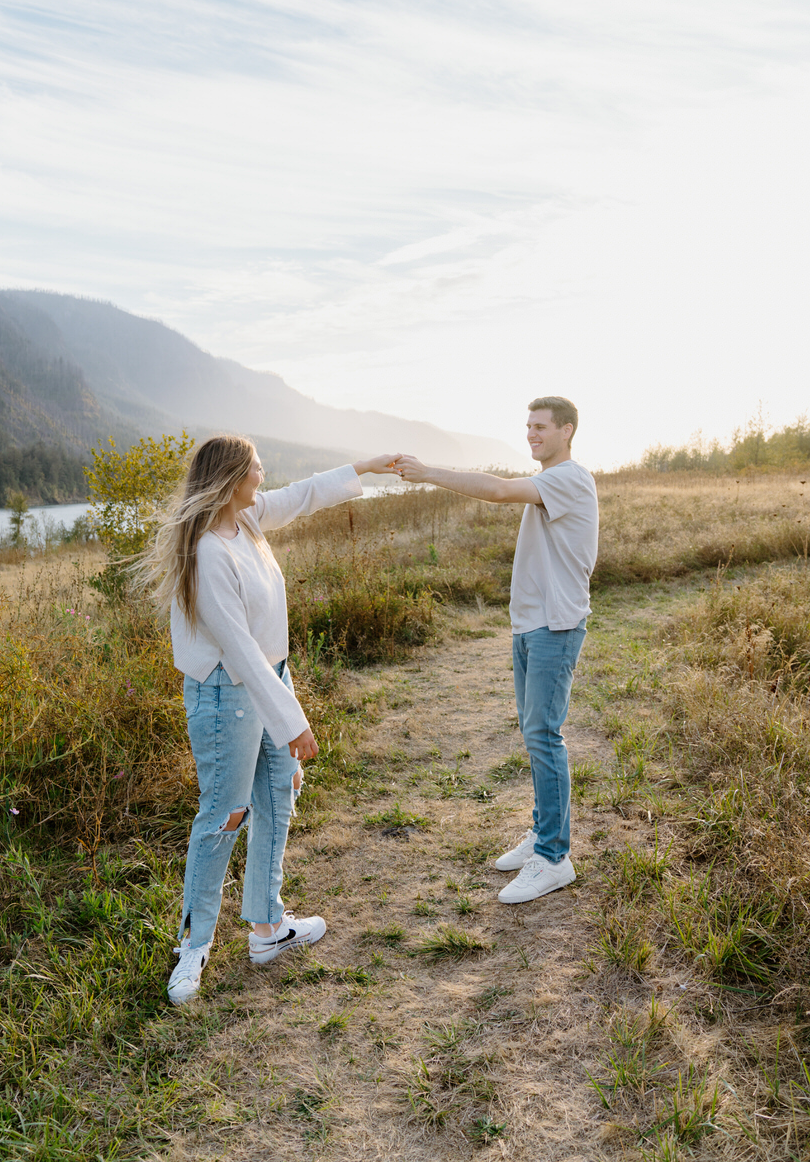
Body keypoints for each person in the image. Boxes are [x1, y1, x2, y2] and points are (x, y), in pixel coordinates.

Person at [143, 434, 398, 1004]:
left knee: (279, 794)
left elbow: (304, 495)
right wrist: (294, 722)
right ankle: (193, 947)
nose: (264, 474)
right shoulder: (209, 550)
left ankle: (267, 928)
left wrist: (364, 465)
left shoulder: (247, 518)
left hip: (267, 680)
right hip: (227, 693)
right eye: (256, 467)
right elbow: (238, 651)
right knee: (225, 815)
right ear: (232, 478)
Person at [393, 396, 598, 904]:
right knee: (535, 736)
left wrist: (429, 473)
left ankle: (554, 858)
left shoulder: (570, 478)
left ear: (567, 431)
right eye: (528, 426)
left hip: (555, 625)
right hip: (531, 625)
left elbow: (500, 490)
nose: (532, 434)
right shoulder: (550, 481)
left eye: (542, 427)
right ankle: (542, 834)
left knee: (543, 735)